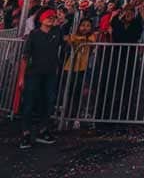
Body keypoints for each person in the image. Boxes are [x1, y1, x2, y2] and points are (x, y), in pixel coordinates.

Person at [19, 8, 62, 149]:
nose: (51, 19)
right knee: (30, 103)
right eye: (49, 17)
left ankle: (43, 130)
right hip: (33, 73)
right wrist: (21, 77)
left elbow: (66, 38)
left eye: (53, 17)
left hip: (50, 73)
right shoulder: (34, 34)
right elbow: (25, 57)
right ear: (41, 19)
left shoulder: (57, 33)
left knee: (48, 101)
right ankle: (25, 132)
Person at [62, 17, 96, 127]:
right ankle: (65, 115)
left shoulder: (91, 37)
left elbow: (90, 41)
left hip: (83, 68)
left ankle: (75, 116)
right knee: (68, 91)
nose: (85, 28)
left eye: (87, 26)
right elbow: (68, 39)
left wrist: (75, 39)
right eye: (83, 25)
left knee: (79, 93)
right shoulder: (74, 36)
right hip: (70, 67)